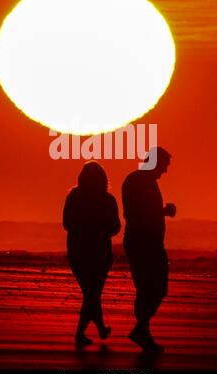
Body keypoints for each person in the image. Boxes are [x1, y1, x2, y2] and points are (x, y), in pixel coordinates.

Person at [122, 146, 176, 352]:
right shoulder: (136, 181)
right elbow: (133, 214)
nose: (165, 171)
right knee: (151, 288)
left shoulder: (145, 181)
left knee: (154, 288)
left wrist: (162, 212)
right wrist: (161, 212)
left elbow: (143, 212)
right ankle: (142, 330)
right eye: (164, 165)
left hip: (149, 243)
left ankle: (142, 329)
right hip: (142, 243)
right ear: (155, 162)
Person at [63, 161, 121, 346]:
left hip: (78, 252)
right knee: (92, 293)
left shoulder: (74, 197)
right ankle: (82, 332)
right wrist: (98, 229)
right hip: (100, 253)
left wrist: (83, 228)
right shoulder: (108, 200)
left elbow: (67, 224)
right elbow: (115, 228)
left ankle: (100, 327)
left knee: (92, 293)